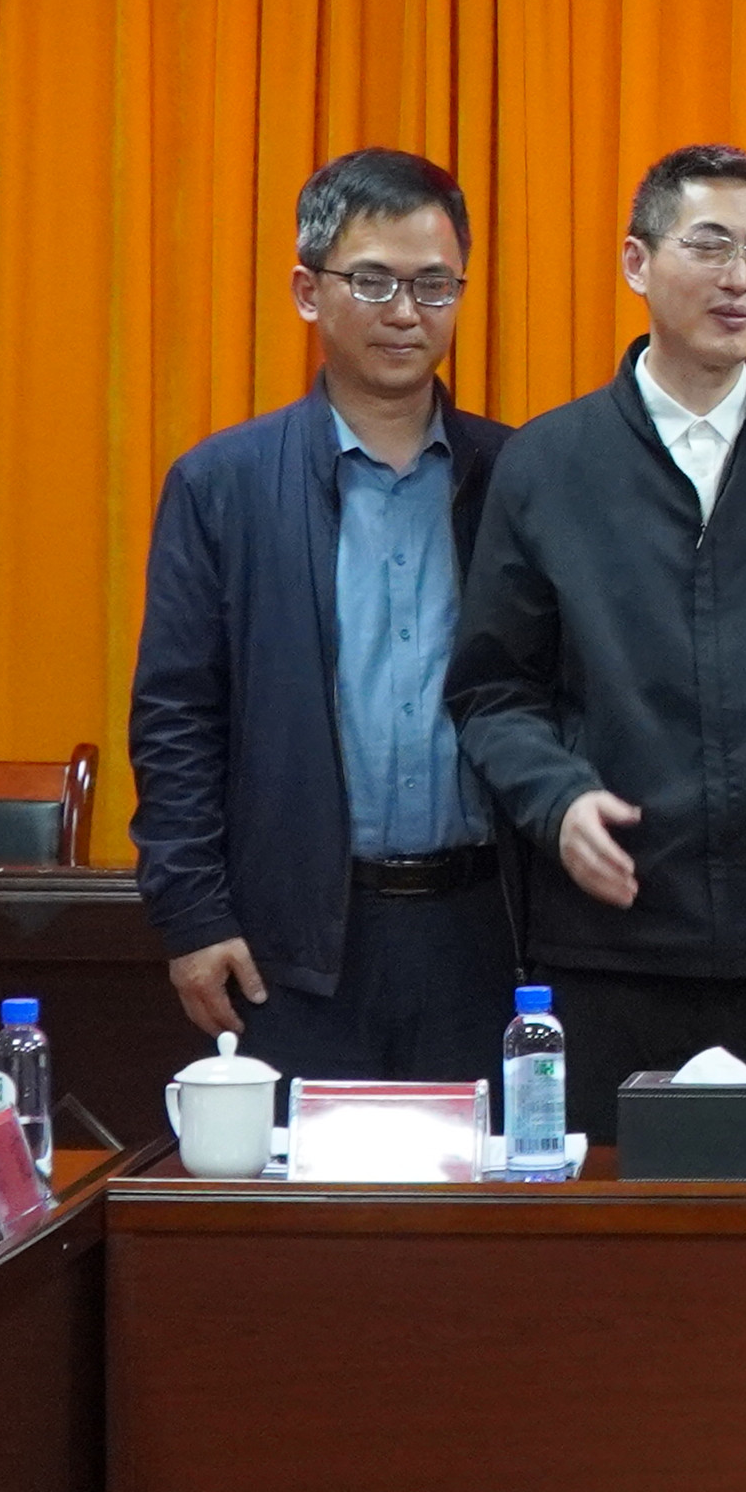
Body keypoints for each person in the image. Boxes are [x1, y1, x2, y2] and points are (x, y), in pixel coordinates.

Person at [449, 145, 746, 1130]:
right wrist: (558, 799)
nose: (741, 277)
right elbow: (493, 691)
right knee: (609, 1223)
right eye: (710, 245)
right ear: (636, 262)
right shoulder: (548, 463)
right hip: (605, 945)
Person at [127, 149, 518, 1081]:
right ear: (309, 290)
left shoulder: (519, 477)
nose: (405, 312)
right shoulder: (222, 484)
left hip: (488, 933)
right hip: (293, 945)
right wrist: (193, 913)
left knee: (486, 1175)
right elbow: (177, 717)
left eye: (434, 285)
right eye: (372, 280)